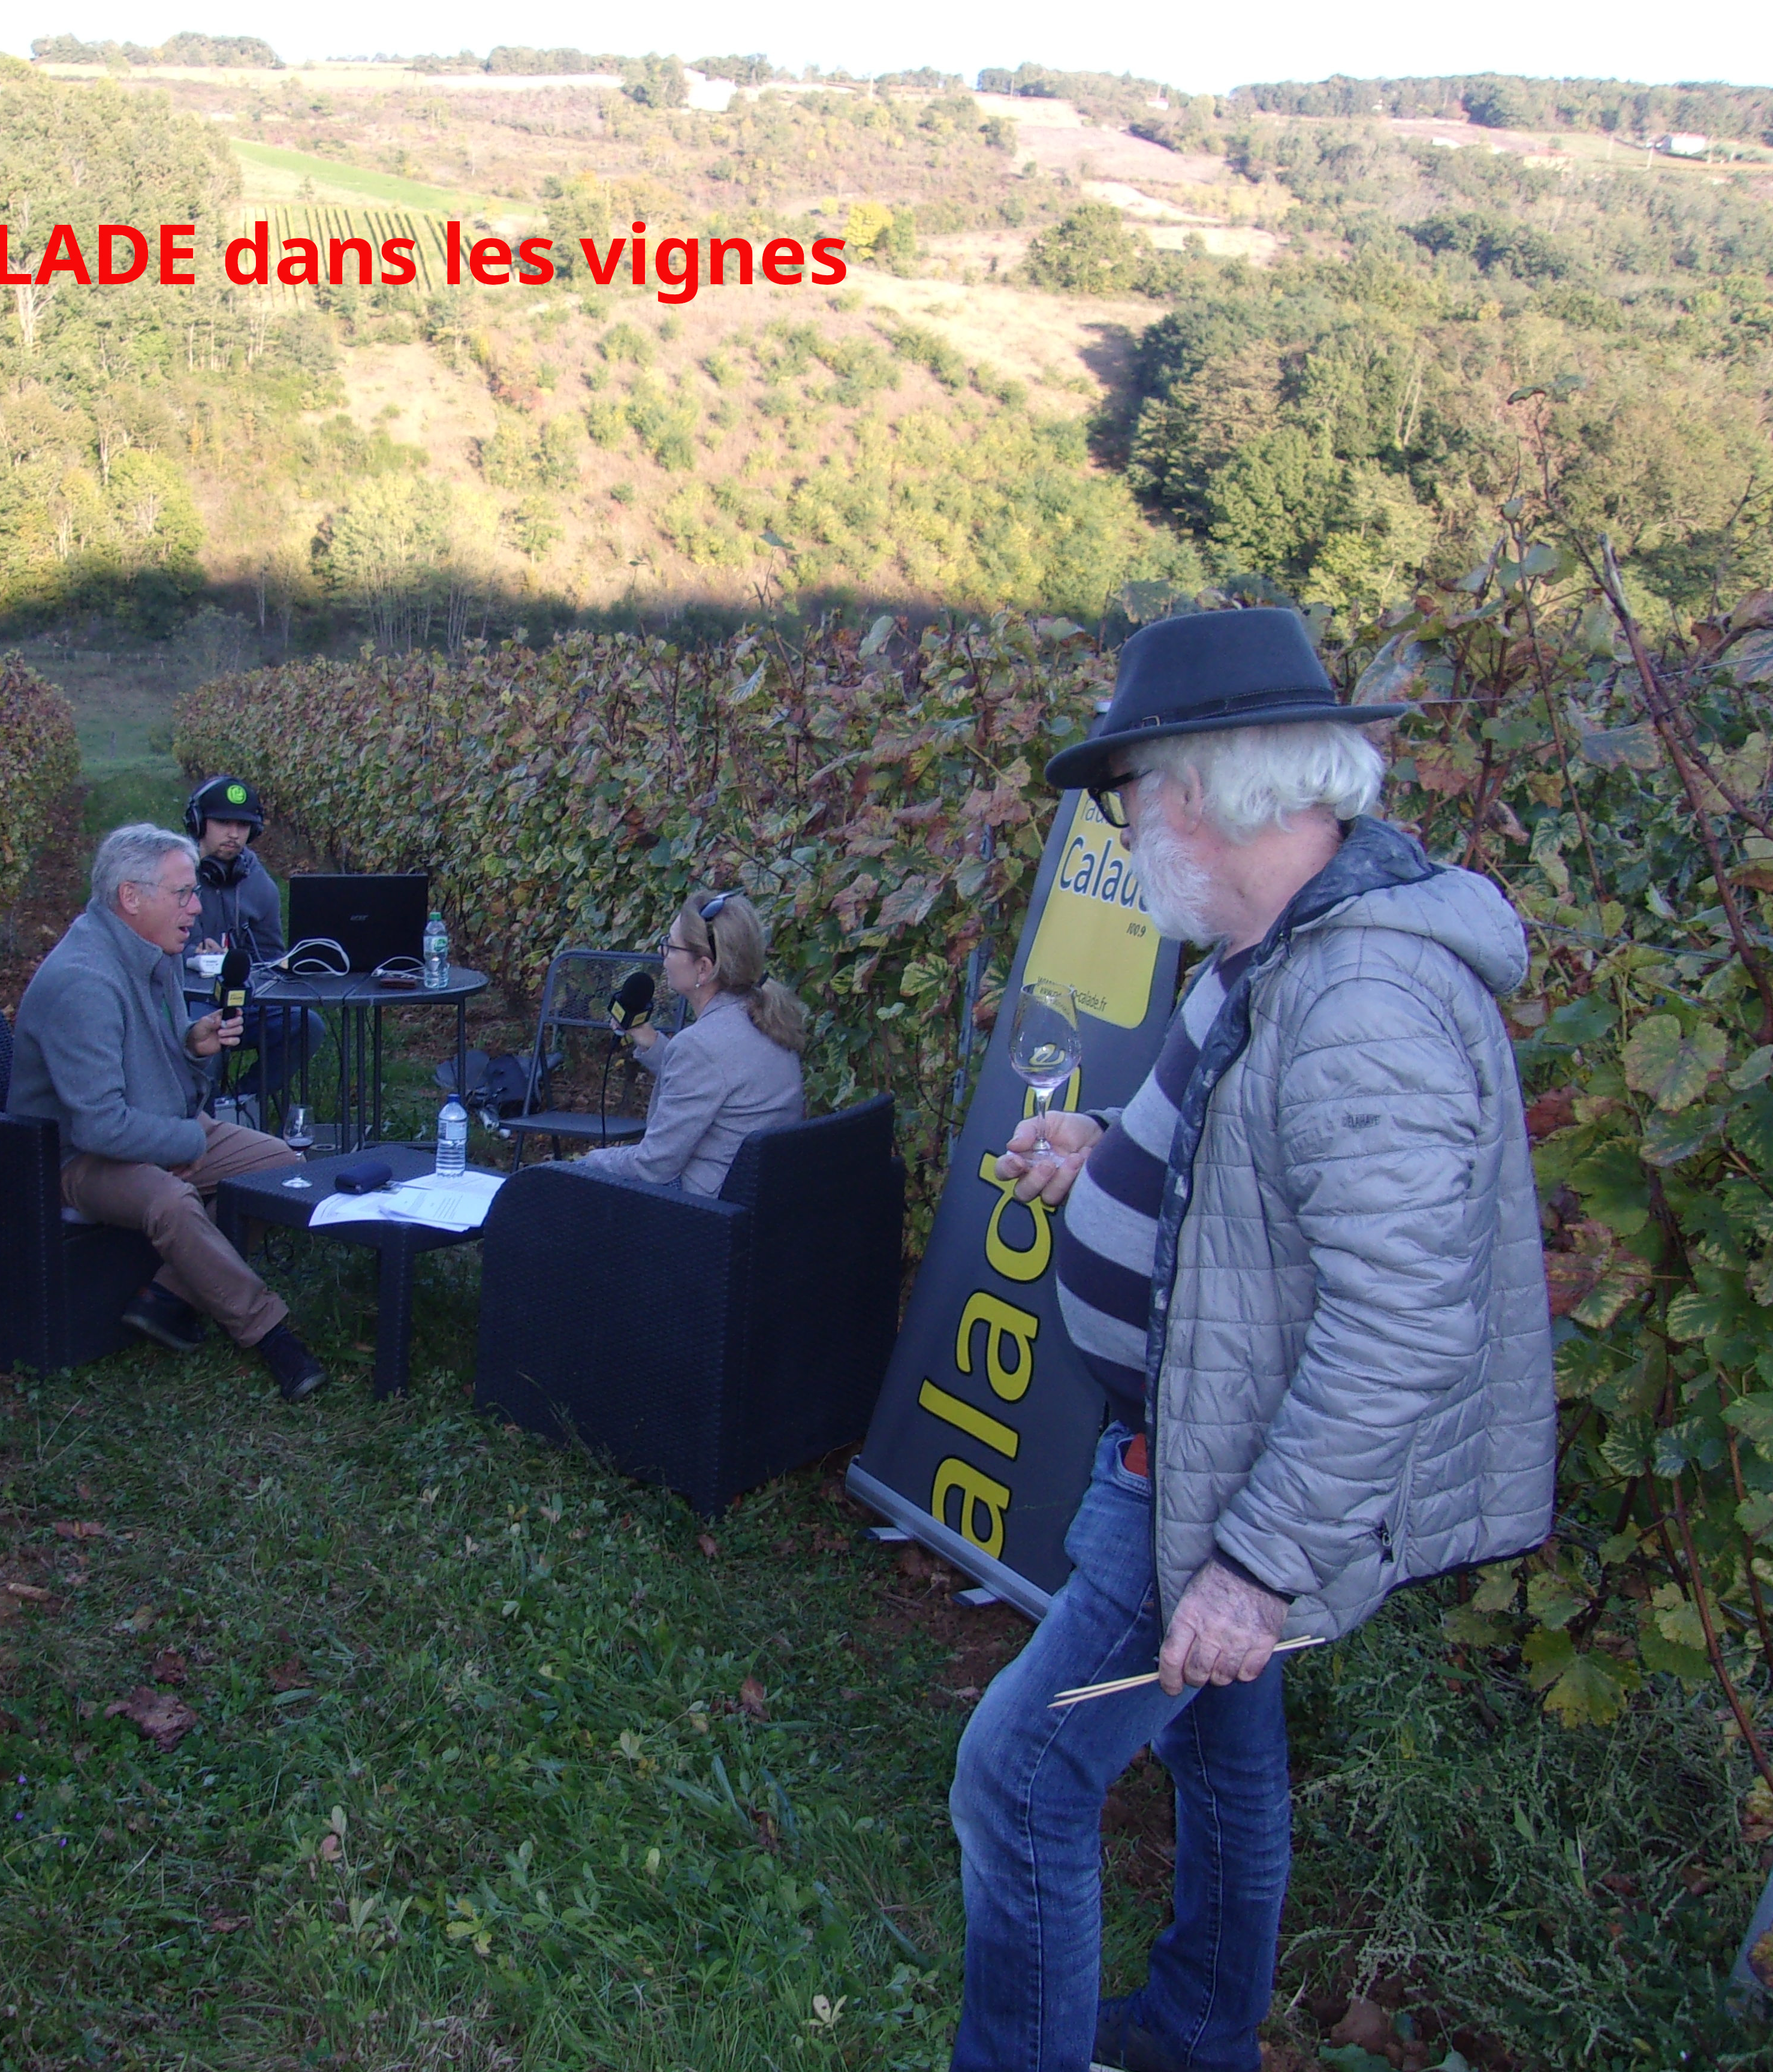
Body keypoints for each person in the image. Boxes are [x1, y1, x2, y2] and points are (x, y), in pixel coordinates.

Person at [946, 607, 1555, 2072]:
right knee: (1222, 1755)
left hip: (1215, 1483)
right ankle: (1197, 2030)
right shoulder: (1269, 949)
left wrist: (1255, 1565)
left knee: (1019, 1778)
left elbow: (1400, 1319)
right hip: (1196, 1449)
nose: (1126, 827)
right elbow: (1257, 1167)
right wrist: (1109, 1151)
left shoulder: (1362, 1000)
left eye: (1128, 793)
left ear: (1204, 791)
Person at [7, 822, 328, 1403]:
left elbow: (146, 1066)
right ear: (131, 897)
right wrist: (183, 1145)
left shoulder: (150, 954)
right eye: (183, 894)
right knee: (171, 1200)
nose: (196, 908)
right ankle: (268, 1334)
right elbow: (99, 1126)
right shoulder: (84, 983)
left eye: (194, 893)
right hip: (75, 1158)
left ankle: (167, 1296)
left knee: (280, 1166)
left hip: (150, 1127)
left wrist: (191, 1044)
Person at [580, 890, 806, 1195]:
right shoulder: (765, 1017)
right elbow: (717, 1081)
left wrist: (586, 1163)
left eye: (670, 945)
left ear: (703, 968)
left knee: (567, 1181)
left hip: (702, 1207)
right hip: (759, 1200)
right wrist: (651, 1042)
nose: (662, 953)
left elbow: (653, 1166)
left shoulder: (701, 1045)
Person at [184, 773, 319, 1115]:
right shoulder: (174, 875)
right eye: (223, 823)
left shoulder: (260, 885)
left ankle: (240, 1105)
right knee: (208, 1036)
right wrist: (191, 956)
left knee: (306, 1025)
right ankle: (200, 1120)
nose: (234, 834)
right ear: (199, 823)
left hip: (242, 1000)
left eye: (243, 826)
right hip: (184, 1001)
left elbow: (271, 960)